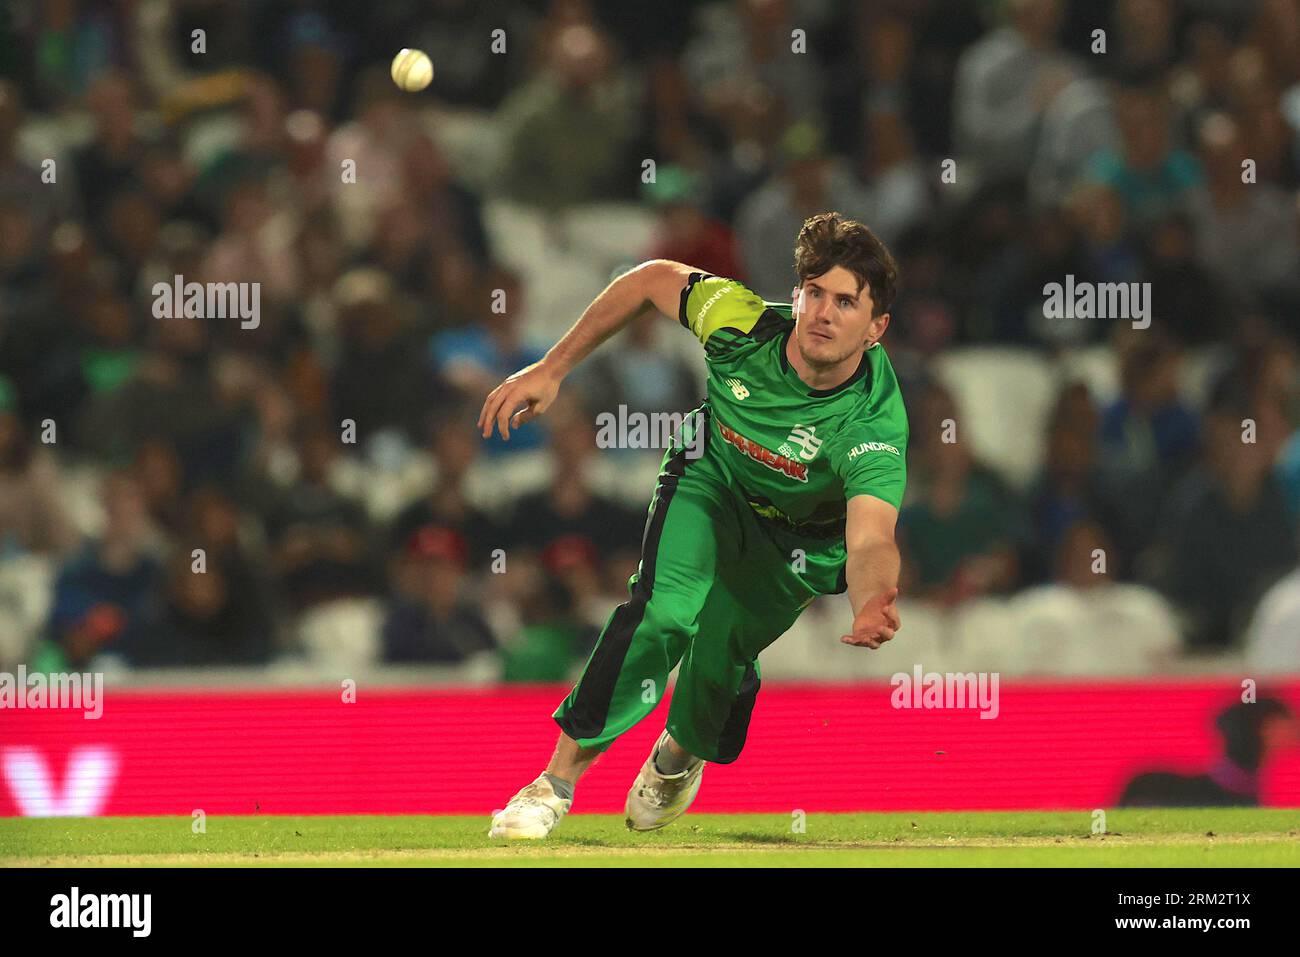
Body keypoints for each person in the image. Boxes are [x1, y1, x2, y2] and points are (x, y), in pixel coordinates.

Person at [477, 212, 909, 838]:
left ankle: (679, 755)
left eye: (846, 302)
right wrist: (552, 368)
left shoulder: (871, 422)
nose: (823, 313)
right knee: (664, 614)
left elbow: (870, 536)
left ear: (876, 328)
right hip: (710, 480)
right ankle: (551, 785)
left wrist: (871, 601)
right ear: (797, 294)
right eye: (814, 292)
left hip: (795, 543)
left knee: (719, 654)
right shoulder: (741, 321)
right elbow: (649, 280)